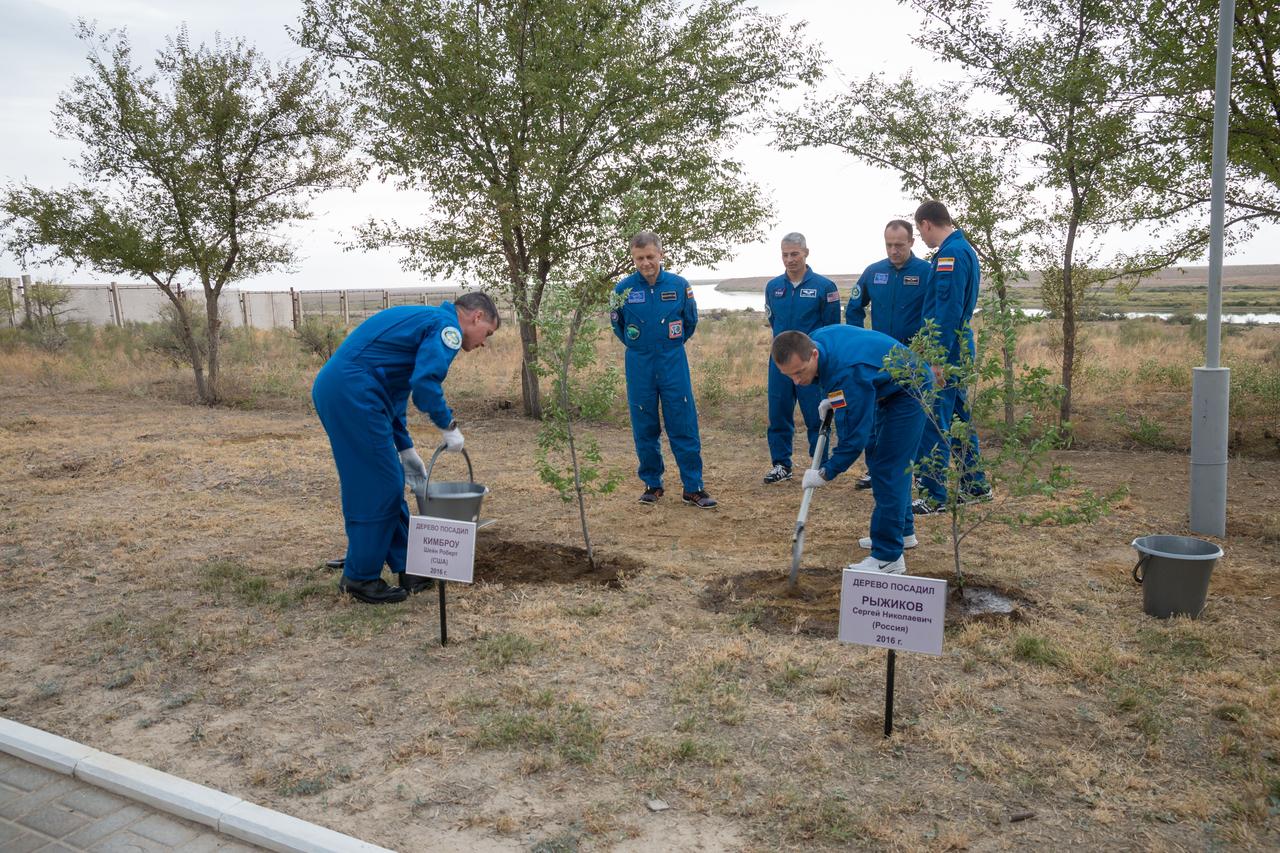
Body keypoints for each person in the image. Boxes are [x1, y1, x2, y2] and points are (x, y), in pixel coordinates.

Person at [312, 292, 501, 604]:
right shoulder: (446, 328)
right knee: (378, 486)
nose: (483, 343)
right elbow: (425, 386)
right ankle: (360, 577)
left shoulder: (428, 320)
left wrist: (405, 448)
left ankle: (411, 567)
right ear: (476, 317)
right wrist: (448, 426)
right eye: (487, 334)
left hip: (355, 390)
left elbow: (397, 389)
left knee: (387, 481)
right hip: (355, 392)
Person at [771, 326, 928, 574]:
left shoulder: (846, 371)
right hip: (885, 385)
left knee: (889, 468)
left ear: (813, 354)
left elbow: (854, 438)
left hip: (910, 389)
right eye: (789, 376)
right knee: (881, 461)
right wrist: (835, 400)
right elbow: (846, 390)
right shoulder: (818, 344)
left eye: (800, 373)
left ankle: (888, 557)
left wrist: (825, 473)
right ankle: (903, 533)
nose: (797, 382)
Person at [611, 232, 716, 508]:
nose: (645, 263)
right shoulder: (622, 290)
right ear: (633, 258)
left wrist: (668, 346)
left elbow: (689, 323)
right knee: (644, 425)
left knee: (683, 423)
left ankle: (693, 487)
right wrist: (642, 347)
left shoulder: (680, 286)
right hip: (639, 364)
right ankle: (652, 484)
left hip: (672, 362)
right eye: (639, 258)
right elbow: (618, 326)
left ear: (661, 255)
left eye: (650, 257)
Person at [912, 200, 990, 514]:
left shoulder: (950, 255)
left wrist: (936, 359)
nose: (923, 237)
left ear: (927, 223)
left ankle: (933, 495)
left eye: (920, 231)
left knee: (934, 421)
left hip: (947, 351)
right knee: (958, 420)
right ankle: (975, 485)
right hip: (957, 347)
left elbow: (945, 312)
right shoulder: (963, 249)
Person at [846, 219, 933, 495]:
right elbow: (854, 309)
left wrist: (927, 348)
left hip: (914, 360)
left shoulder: (927, 272)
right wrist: (859, 344)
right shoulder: (873, 273)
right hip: (880, 361)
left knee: (914, 418)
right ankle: (876, 469)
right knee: (875, 418)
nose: (893, 250)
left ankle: (919, 473)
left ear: (911, 242)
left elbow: (936, 314)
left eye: (899, 245)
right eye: (889, 245)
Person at [761, 232, 841, 485]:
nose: (789, 259)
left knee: (815, 414)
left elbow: (831, 328)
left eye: (794, 254)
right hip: (780, 362)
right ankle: (781, 464)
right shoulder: (774, 287)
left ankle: (819, 465)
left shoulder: (824, 287)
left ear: (806, 253)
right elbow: (774, 321)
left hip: (810, 365)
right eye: (785, 254)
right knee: (779, 413)